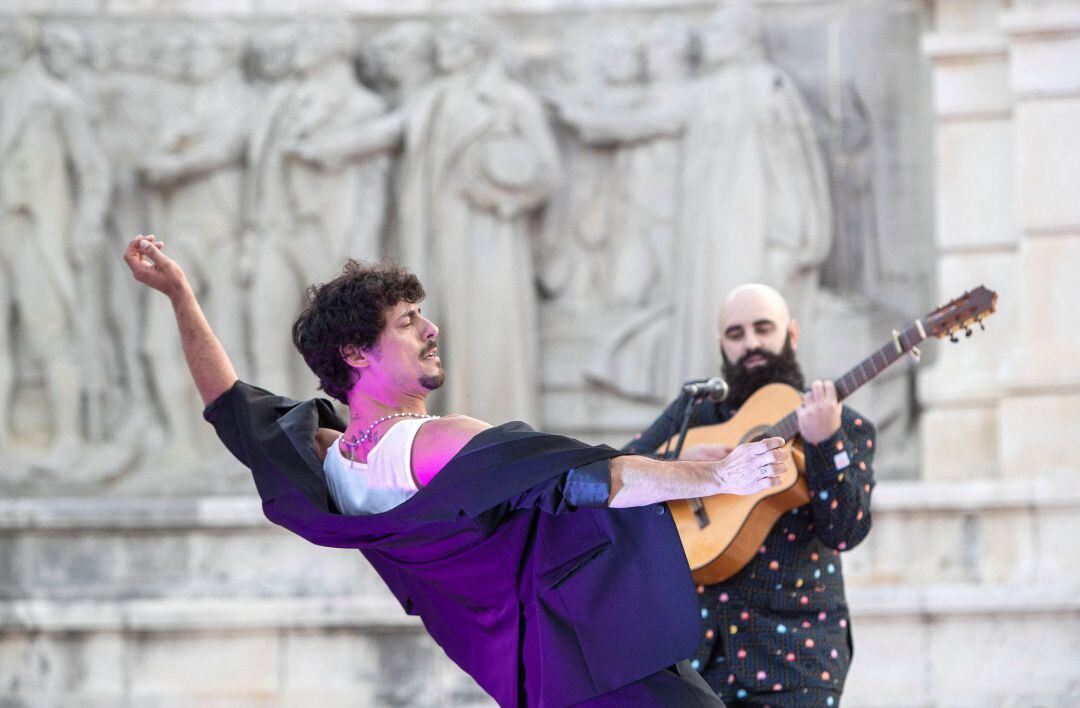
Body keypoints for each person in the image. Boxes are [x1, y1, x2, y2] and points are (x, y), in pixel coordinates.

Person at [122, 234, 793, 706]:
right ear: (359, 352)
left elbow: (228, 402)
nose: (431, 327)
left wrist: (181, 295)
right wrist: (720, 477)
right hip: (620, 666)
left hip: (533, 680)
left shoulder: (329, 462)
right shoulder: (435, 444)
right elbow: (591, 477)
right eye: (409, 319)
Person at [624, 284, 876, 706]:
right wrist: (684, 461)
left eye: (763, 328)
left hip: (797, 657)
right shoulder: (695, 413)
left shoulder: (844, 424)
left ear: (791, 335)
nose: (752, 343)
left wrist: (827, 442)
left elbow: (846, 530)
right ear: (721, 344)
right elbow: (621, 476)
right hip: (695, 658)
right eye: (736, 334)